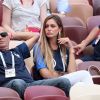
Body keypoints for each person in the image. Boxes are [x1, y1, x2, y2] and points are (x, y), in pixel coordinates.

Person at [0, 27, 71, 99]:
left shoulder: (18, 50)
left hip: (30, 84)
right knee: (18, 83)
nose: (0, 37)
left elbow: (36, 36)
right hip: (8, 85)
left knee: (64, 82)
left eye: (3, 34)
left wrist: (12, 35)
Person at [33, 15, 93, 86]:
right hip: (46, 83)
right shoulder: (39, 47)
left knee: (79, 85)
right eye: (46, 26)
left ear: (60, 29)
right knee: (85, 74)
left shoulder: (64, 47)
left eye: (52, 26)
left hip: (63, 82)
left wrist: (71, 50)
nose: (49, 29)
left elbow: (72, 72)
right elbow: (45, 74)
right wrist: (64, 74)